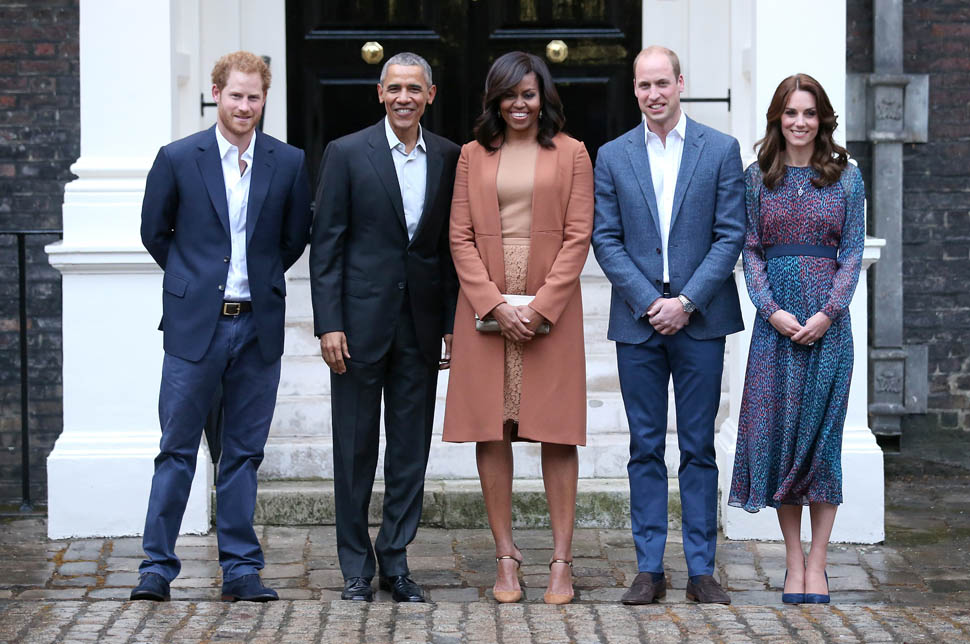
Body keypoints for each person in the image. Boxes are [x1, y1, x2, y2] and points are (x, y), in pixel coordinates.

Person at [132, 51, 312, 602]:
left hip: (256, 326)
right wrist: (195, 282)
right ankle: (156, 568)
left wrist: (253, 280)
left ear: (264, 99)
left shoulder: (289, 162)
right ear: (216, 93)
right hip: (195, 329)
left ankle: (240, 568)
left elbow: (293, 238)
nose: (245, 106)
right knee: (177, 449)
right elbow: (154, 231)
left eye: (254, 96)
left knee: (242, 453)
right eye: (235, 95)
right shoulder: (179, 157)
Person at [591, 46, 745, 605]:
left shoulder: (720, 150)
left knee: (699, 446)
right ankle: (649, 567)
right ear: (634, 90)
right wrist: (648, 301)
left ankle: (702, 568)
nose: (653, 94)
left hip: (701, 323)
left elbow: (730, 234)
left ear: (681, 82)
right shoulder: (611, 155)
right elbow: (604, 239)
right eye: (643, 86)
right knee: (645, 446)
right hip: (638, 324)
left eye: (662, 83)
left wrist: (686, 301)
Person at [443, 51, 593, 606]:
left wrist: (543, 306)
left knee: (555, 430)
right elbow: (459, 235)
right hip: (487, 302)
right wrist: (493, 303)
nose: (519, 104)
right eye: (509, 95)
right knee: (493, 428)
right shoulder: (470, 155)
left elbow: (579, 236)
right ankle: (506, 557)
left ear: (543, 96)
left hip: (550, 304)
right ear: (495, 100)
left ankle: (561, 560)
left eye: (528, 94)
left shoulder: (573, 153)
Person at [310, 52, 460, 603]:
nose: (404, 97)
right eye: (394, 87)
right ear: (380, 93)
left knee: (408, 452)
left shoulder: (449, 156)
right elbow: (326, 245)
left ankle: (394, 559)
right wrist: (328, 323)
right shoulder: (347, 153)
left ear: (431, 94)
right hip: (356, 327)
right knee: (353, 450)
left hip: (420, 329)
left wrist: (449, 323)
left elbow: (448, 249)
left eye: (414, 89)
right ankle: (355, 567)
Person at [729, 73, 865, 605]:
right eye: (791, 113)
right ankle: (792, 564)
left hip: (830, 333)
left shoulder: (847, 178)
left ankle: (820, 564)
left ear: (822, 118)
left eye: (809, 113)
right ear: (777, 119)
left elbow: (852, 252)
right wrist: (772, 311)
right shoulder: (756, 178)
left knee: (823, 446)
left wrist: (829, 313)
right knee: (784, 446)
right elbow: (752, 252)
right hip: (776, 333)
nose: (800, 122)